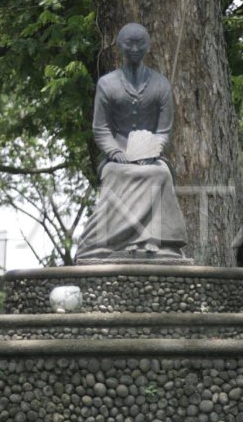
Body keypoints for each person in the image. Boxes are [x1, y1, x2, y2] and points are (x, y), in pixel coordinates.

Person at [75, 22, 190, 263]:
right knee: (114, 174)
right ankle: (102, 242)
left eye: (140, 43)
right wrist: (114, 151)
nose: (135, 48)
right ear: (120, 46)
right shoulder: (107, 84)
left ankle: (160, 242)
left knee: (160, 175)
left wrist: (155, 149)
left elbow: (163, 130)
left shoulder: (161, 85)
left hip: (150, 156)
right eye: (130, 43)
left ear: (148, 46)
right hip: (118, 156)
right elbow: (101, 128)